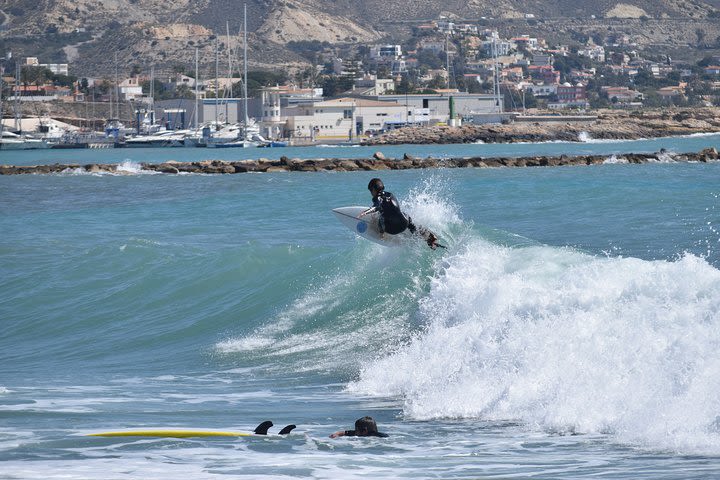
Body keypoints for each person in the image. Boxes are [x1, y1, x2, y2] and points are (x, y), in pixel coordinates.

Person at [359, 178, 440, 249]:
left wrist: (365, 212)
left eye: (370, 191)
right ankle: (425, 237)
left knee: (380, 217)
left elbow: (376, 206)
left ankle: (381, 235)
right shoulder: (390, 194)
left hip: (393, 229)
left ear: (373, 189)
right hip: (404, 223)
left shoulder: (377, 198)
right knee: (406, 217)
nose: (371, 193)